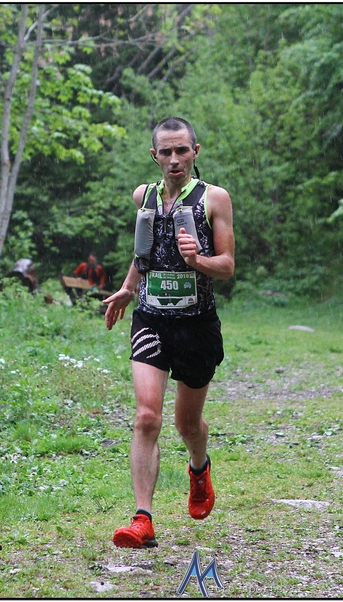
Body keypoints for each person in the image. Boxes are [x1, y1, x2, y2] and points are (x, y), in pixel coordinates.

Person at [103, 117, 234, 548]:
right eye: (166, 151)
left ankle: (199, 467)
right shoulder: (143, 196)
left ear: (196, 151)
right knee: (147, 417)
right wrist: (128, 288)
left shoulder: (214, 198)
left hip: (197, 326)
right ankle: (142, 519)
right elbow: (145, 252)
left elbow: (227, 266)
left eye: (182, 150)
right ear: (154, 155)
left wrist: (198, 261)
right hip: (151, 320)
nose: (174, 159)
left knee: (187, 423)